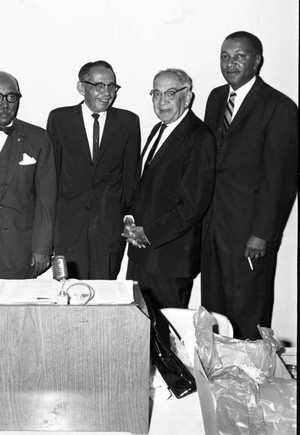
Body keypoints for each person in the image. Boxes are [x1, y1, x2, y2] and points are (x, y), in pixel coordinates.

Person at [202, 31, 298, 340]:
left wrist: (262, 233)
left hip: (249, 233)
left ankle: (250, 384)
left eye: (240, 56)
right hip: (214, 227)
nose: (230, 63)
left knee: (247, 312)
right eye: (225, 56)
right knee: (214, 313)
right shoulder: (216, 97)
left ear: (257, 61)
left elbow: (280, 180)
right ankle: (217, 382)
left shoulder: (279, 107)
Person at [123, 69, 216, 310]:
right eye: (156, 93)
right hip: (141, 254)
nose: (161, 101)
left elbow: (192, 206)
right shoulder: (158, 129)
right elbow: (145, 186)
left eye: (170, 93)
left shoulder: (199, 137)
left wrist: (149, 233)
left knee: (167, 338)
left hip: (169, 259)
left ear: (188, 97)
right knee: (139, 332)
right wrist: (130, 219)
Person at [0, 71, 57, 318]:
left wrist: (42, 247)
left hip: (21, 250)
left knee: (18, 323)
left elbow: (47, 199)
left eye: (11, 97)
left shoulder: (38, 137)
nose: (5, 105)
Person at [47, 60, 140, 279]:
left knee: (104, 297)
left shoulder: (128, 122)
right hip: (68, 230)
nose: (107, 93)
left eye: (111, 86)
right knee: (69, 294)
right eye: (99, 86)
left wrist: (128, 221)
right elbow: (52, 176)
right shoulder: (59, 119)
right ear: (82, 88)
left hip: (108, 230)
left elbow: (130, 179)